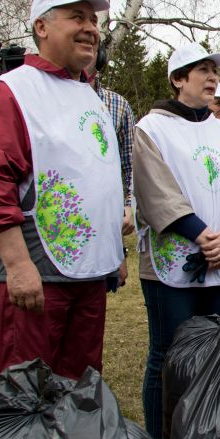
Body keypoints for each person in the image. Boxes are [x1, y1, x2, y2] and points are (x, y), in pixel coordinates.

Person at [0, 0, 124, 380]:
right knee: (27, 391)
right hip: (38, 275)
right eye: (76, 17)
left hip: (89, 278)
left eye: (93, 19)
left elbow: (99, 176)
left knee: (81, 389)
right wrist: (17, 265)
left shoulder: (91, 96)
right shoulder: (11, 92)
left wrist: (113, 253)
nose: (90, 28)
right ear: (41, 27)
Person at [133, 42, 220, 439]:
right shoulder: (150, 129)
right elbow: (157, 192)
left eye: (214, 71)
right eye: (201, 70)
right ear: (177, 79)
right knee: (169, 356)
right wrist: (203, 236)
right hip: (173, 261)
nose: (212, 77)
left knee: (219, 353)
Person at [86, 44, 136, 288]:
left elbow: (130, 166)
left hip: (106, 227)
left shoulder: (118, 106)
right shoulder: (44, 99)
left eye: (93, 48)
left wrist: (128, 205)